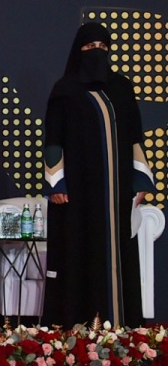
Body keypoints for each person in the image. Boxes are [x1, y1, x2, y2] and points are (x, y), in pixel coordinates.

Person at [42, 22, 154, 328]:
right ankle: (75, 327)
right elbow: (53, 140)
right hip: (78, 192)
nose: (97, 52)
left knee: (118, 251)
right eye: (91, 47)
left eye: (103, 47)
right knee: (77, 249)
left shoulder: (121, 87)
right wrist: (57, 183)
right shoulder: (65, 89)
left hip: (117, 190)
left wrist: (141, 180)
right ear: (79, 50)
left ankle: (120, 324)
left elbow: (135, 137)